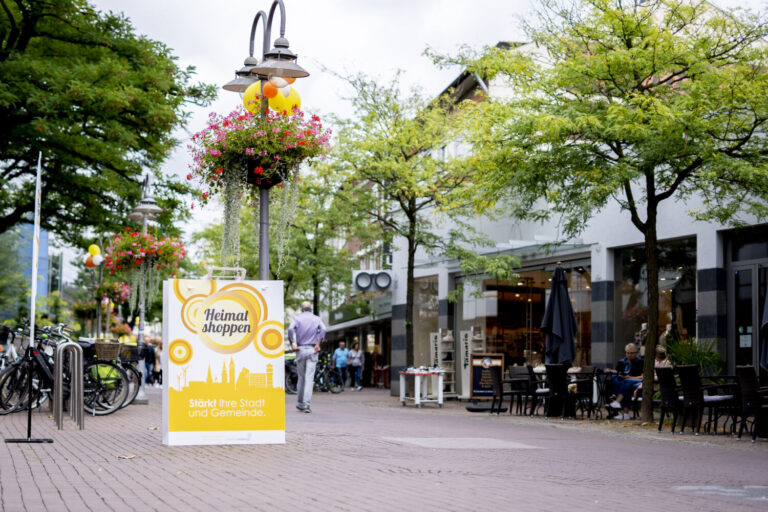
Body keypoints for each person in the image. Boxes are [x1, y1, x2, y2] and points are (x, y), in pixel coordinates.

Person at [288, 301, 326, 413]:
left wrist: (292, 343)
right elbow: (324, 329)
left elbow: (290, 329)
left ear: (302, 309)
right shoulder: (317, 319)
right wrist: (318, 343)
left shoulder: (297, 318)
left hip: (300, 349)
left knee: (301, 377)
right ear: (311, 309)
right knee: (309, 379)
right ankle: (306, 405)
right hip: (312, 349)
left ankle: (300, 403)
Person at [603, 342, 643, 420]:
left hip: (636, 381)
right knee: (616, 380)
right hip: (624, 382)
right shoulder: (622, 361)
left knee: (626, 383)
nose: (629, 355)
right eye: (627, 353)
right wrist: (615, 372)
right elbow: (618, 372)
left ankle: (617, 401)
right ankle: (624, 413)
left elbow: (643, 376)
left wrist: (630, 377)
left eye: (631, 353)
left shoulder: (640, 362)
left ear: (636, 353)